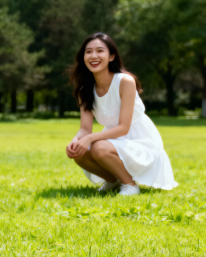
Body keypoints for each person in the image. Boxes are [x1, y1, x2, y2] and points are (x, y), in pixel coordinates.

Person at [66, 33, 177, 195]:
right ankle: (113, 181)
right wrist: (76, 141)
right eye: (88, 52)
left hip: (140, 140)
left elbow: (124, 128)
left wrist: (89, 139)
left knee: (98, 147)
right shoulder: (85, 90)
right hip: (112, 139)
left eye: (100, 51)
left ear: (111, 57)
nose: (93, 56)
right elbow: (85, 129)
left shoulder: (125, 81)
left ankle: (130, 185)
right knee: (79, 153)